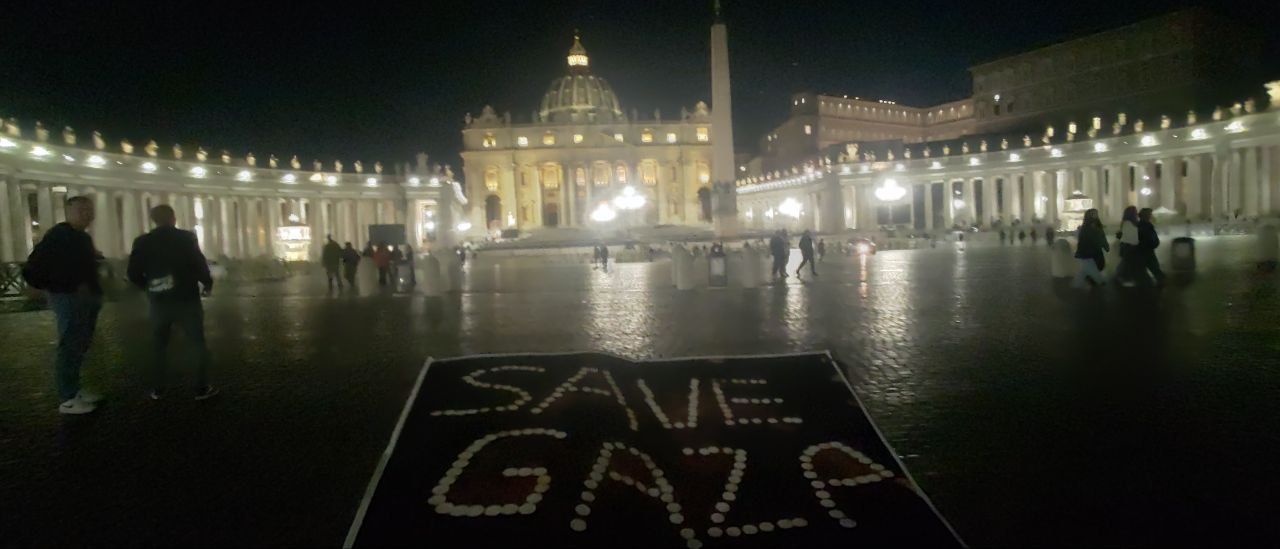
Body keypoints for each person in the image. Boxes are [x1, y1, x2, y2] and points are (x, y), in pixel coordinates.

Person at [21, 196, 105, 414]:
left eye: (89, 210)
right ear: (68, 213)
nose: (87, 215)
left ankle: (75, 390)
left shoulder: (81, 238)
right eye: (81, 211)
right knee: (69, 345)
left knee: (79, 345)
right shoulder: (59, 236)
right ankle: (67, 398)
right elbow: (33, 266)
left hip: (84, 299)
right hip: (68, 298)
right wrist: (54, 287)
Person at [127, 204, 216, 401]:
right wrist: (207, 283)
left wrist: (149, 287)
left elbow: (133, 273)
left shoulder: (142, 241)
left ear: (154, 220)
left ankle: (159, 388)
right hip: (187, 298)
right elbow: (198, 262)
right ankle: (201, 388)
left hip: (159, 301)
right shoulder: (186, 238)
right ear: (173, 218)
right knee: (197, 344)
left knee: (159, 346)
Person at [1072, 208, 1109, 289]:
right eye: (1093, 214)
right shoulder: (1085, 228)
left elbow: (1102, 237)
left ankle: (1091, 279)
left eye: (1096, 214)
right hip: (1088, 251)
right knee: (1092, 267)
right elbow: (1082, 240)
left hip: (1096, 250)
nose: (1095, 216)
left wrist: (1106, 246)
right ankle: (1097, 281)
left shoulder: (1097, 226)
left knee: (1099, 265)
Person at [1137, 208, 1166, 287]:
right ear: (1146, 216)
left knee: (1145, 269)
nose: (1151, 215)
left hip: (1142, 250)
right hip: (1147, 250)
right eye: (1150, 214)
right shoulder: (1147, 225)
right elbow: (1150, 238)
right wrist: (1154, 243)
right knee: (1154, 268)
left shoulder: (1139, 225)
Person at [1115, 206, 1141, 287]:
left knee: (1126, 263)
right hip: (1129, 246)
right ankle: (1125, 279)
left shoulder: (1129, 222)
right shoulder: (1128, 223)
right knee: (1128, 264)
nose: (1137, 213)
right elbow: (1130, 236)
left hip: (1129, 246)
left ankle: (1120, 277)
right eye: (1135, 211)